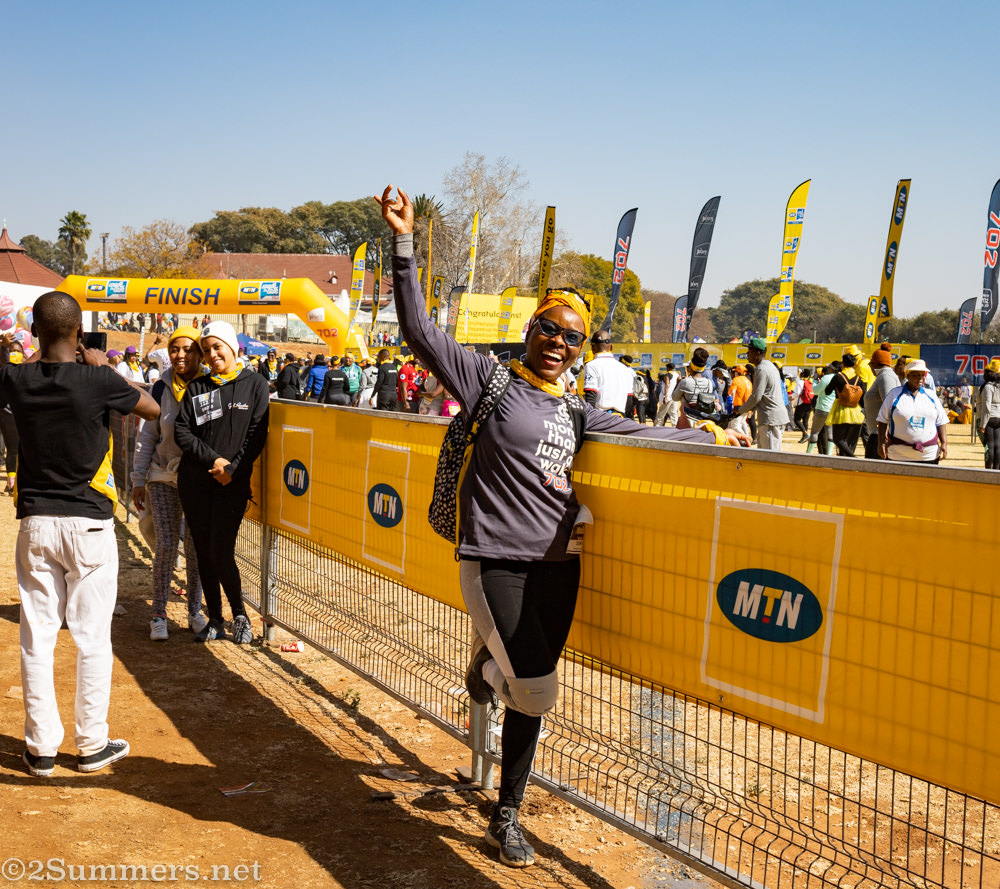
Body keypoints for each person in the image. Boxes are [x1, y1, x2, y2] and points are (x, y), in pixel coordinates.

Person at [375, 184, 747, 869]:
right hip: (494, 558)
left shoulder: (576, 413)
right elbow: (420, 332)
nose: (559, 342)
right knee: (539, 685)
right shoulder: (487, 379)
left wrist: (717, 435)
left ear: (581, 350)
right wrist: (403, 241)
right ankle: (491, 680)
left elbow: (647, 434)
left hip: (560, 565)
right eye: (550, 328)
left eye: (572, 336)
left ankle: (504, 806)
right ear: (530, 330)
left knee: (528, 690)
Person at [1, 291, 159, 777]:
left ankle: (41, 748)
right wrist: (102, 367)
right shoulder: (97, 379)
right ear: (78, 332)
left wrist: (29, 354)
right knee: (92, 639)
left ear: (35, 332)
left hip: (37, 522)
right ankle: (91, 744)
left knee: (37, 639)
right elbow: (151, 408)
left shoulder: (15, 377)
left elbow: (23, 369)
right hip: (90, 523)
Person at [174, 321, 269, 643]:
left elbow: (256, 437)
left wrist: (233, 470)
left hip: (233, 484)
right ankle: (215, 618)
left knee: (221, 550)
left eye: (218, 347)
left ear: (232, 347)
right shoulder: (198, 387)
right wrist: (213, 460)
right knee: (203, 551)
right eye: (207, 349)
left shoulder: (254, 384)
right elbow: (182, 431)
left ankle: (240, 615)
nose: (213, 354)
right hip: (195, 482)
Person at [131, 326, 208, 641]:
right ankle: (158, 615)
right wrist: (138, 479)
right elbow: (147, 435)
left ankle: (194, 611)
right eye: (175, 349)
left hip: (199, 480)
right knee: (165, 545)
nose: (181, 355)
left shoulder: (209, 386)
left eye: (188, 349)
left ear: (198, 353)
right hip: (163, 476)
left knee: (195, 548)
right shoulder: (160, 389)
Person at [877, 359, 948, 464]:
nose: (920, 379)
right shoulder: (894, 394)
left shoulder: (931, 395)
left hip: (928, 456)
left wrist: (944, 443)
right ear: (907, 376)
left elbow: (941, 421)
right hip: (898, 455)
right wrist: (881, 443)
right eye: (915, 375)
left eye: (922, 375)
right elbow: (882, 420)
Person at [731, 338, 786, 450]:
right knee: (765, 455)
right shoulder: (769, 366)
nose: (747, 353)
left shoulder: (762, 369)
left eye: (749, 350)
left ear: (757, 353)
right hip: (773, 417)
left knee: (770, 458)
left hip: (771, 419)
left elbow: (756, 396)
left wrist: (740, 410)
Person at [826, 347, 867, 457]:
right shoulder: (859, 378)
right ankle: (849, 461)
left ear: (843, 363)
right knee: (851, 441)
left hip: (841, 410)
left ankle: (853, 458)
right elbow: (863, 396)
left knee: (838, 439)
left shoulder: (838, 377)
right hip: (857, 411)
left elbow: (827, 391)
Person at [583, 331, 634, 415]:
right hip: (620, 418)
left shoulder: (591, 366)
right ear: (611, 347)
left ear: (592, 347)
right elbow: (629, 401)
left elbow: (591, 396)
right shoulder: (625, 369)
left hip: (601, 417)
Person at [862, 345, 897, 459]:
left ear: (875, 364)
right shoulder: (883, 376)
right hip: (877, 433)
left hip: (880, 435)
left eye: (871, 364)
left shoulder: (885, 377)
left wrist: (883, 440)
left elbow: (890, 406)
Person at [979, 365, 1000, 469]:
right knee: (998, 445)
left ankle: (988, 469)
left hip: (990, 418)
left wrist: (983, 424)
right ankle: (996, 469)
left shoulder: (988, 386)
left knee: (990, 446)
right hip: (999, 418)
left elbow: (987, 407)